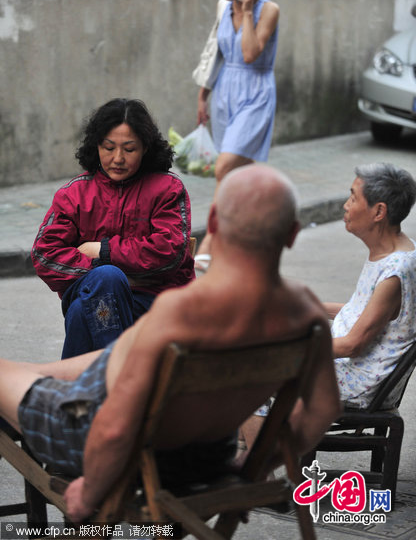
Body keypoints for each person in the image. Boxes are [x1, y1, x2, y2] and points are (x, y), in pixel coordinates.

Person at [0, 164, 340, 523]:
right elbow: (323, 409)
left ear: (213, 222)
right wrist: (254, 464)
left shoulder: (182, 313)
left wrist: (90, 492)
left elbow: (115, 428)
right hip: (204, 457)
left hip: (100, 437)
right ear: (292, 234)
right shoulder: (305, 314)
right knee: (41, 370)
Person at [31, 98, 194, 358]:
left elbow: (170, 252)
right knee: (105, 282)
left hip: (152, 302)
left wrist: (103, 251)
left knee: (82, 310)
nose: (117, 158)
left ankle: (78, 391)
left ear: (145, 149)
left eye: (129, 149)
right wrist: (106, 274)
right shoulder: (74, 194)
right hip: (91, 291)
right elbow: (44, 254)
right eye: (108, 147)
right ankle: (117, 377)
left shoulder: (167, 189)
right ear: (96, 146)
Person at [194, 0, 280, 269]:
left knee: (224, 166)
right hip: (224, 90)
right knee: (234, 175)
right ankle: (239, 241)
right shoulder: (221, 6)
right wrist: (203, 95)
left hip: (255, 92)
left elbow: (249, 53)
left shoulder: (268, 10)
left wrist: (245, 9)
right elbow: (215, 51)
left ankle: (210, 240)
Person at [325, 163, 416, 408]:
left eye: (353, 198)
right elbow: (366, 312)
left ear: (378, 212)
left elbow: (353, 345)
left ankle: (265, 446)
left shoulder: (395, 271)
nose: (346, 205)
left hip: (356, 380)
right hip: (347, 368)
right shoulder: (392, 251)